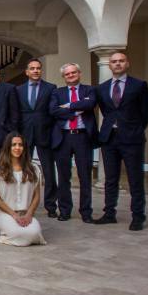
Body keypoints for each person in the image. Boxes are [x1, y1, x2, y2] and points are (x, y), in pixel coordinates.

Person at [95, 52, 148, 231]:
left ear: (127, 64)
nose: (117, 64)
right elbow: (106, 111)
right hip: (109, 138)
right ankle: (109, 213)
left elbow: (146, 112)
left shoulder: (139, 85)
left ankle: (138, 216)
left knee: (135, 179)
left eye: (121, 61)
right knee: (110, 178)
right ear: (110, 66)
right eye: (114, 62)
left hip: (132, 138)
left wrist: (133, 128)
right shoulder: (102, 88)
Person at [49, 63, 98, 223]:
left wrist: (69, 106)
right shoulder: (57, 92)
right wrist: (75, 112)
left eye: (73, 72)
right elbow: (53, 110)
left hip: (82, 137)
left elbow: (90, 104)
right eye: (67, 74)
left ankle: (86, 212)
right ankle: (64, 210)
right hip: (63, 137)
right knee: (64, 177)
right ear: (64, 77)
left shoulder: (89, 90)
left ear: (79, 73)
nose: (71, 75)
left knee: (85, 176)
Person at [15, 58, 57, 218]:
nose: (35, 71)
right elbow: (17, 113)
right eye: (32, 68)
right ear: (26, 71)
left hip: (44, 133)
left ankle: (51, 205)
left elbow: (52, 112)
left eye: (38, 68)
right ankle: (22, 203)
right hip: (25, 135)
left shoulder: (50, 88)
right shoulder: (19, 90)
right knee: (22, 170)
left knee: (48, 171)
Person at [0, 133, 46, 246]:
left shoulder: (34, 169)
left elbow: (36, 196)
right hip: (6, 213)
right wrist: (14, 215)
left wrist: (29, 214)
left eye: (20, 145)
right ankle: (7, 233)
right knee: (20, 235)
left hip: (26, 213)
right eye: (13, 144)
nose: (17, 148)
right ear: (8, 147)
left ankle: (14, 234)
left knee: (34, 232)